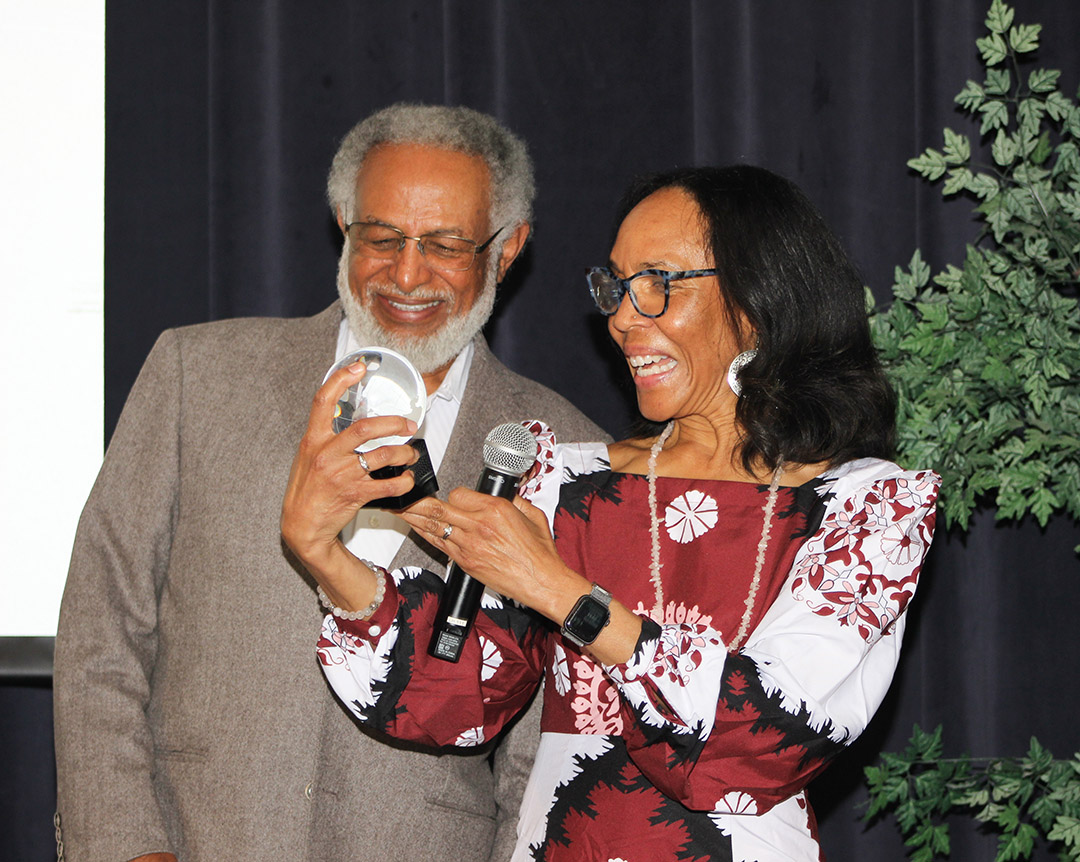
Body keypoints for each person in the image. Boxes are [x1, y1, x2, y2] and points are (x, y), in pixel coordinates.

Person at [288, 164, 940, 861]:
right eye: (618, 287)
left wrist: (561, 592)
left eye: (659, 284)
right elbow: (455, 698)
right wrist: (324, 555)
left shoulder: (867, 510)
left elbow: (764, 737)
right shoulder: (568, 482)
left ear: (758, 298)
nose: (623, 318)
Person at [53, 103, 606, 862]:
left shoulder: (566, 451)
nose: (406, 274)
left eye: (445, 244)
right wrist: (126, 850)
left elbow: (545, 751)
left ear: (508, 250)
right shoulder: (197, 376)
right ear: (342, 224)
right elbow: (100, 637)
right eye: (380, 237)